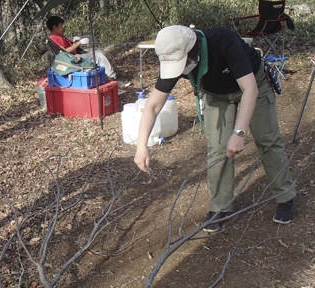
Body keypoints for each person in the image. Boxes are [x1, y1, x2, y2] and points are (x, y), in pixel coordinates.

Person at [134, 25, 296, 232]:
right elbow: (153, 105)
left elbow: (250, 90)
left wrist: (239, 133)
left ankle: (285, 197)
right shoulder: (174, 57)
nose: (179, 70)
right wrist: (141, 146)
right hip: (216, 95)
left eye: (181, 63)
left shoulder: (223, 41)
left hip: (253, 85)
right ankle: (221, 207)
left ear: (192, 51)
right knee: (218, 148)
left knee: (267, 139)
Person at [46, 16, 116, 80]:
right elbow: (64, 52)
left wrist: (74, 41)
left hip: (75, 56)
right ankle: (112, 76)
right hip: (73, 59)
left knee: (100, 52)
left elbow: (68, 46)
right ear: (54, 27)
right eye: (61, 26)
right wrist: (79, 42)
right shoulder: (53, 38)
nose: (62, 28)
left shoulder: (59, 36)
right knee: (98, 55)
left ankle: (105, 76)